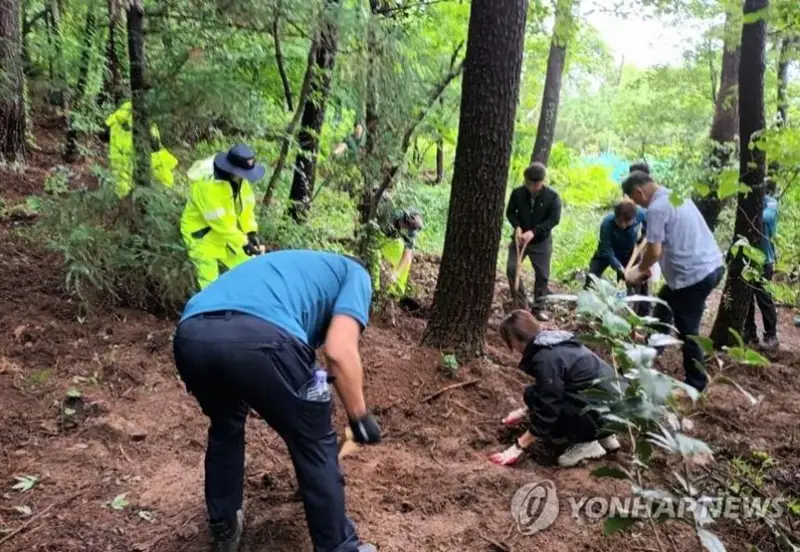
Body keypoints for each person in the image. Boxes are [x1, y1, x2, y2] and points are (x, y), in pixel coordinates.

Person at [173, 250, 381, 552]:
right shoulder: (356, 275)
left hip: (192, 336)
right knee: (314, 437)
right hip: (262, 336)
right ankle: (341, 547)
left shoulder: (294, 267)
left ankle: (224, 523)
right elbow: (338, 349)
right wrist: (359, 417)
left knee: (225, 424)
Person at [622, 171, 724, 392]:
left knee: (687, 329)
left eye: (635, 199)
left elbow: (655, 251)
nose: (638, 204)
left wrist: (638, 270)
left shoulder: (657, 209)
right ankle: (652, 349)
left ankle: (697, 383)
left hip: (693, 277)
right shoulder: (677, 196)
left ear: (639, 191)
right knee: (664, 302)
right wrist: (646, 264)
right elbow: (658, 245)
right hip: (712, 266)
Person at [489, 310, 623, 468]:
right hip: (616, 408)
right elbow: (553, 390)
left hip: (600, 409)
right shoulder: (555, 341)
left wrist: (517, 448)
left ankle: (587, 444)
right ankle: (605, 436)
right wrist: (522, 412)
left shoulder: (546, 358)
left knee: (540, 400)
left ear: (514, 339)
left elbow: (548, 409)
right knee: (533, 395)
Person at [180, 144, 265, 290]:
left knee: (248, 268)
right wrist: (244, 243)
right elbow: (220, 222)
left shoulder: (239, 180)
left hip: (227, 234)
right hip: (202, 235)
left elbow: (246, 207)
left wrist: (251, 232)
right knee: (210, 284)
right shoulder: (207, 186)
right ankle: (207, 310)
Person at [505, 162, 562, 322]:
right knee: (511, 269)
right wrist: (517, 226)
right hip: (520, 239)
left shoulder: (553, 197)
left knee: (542, 275)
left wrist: (534, 232)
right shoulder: (517, 193)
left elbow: (554, 219)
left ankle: (538, 308)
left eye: (535, 184)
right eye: (528, 183)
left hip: (541, 241)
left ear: (542, 182)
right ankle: (521, 305)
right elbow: (510, 212)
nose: (532, 187)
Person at [102, 101, 178, 197]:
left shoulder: (119, 116)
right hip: (135, 159)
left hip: (119, 157)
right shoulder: (145, 121)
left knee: (121, 182)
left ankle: (122, 200)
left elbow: (104, 132)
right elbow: (155, 144)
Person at [744, 181, 779, 349]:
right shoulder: (747, 202)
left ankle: (771, 336)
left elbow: (767, 217)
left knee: (764, 298)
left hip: (764, 260)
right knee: (746, 298)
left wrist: (750, 212)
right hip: (747, 258)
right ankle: (749, 333)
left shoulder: (771, 202)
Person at [585, 201, 647, 289]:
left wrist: (645, 233)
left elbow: (650, 220)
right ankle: (589, 297)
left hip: (629, 252)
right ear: (616, 217)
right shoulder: (607, 223)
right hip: (607, 252)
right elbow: (606, 249)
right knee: (592, 276)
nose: (623, 225)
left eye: (626, 222)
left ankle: (639, 301)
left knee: (636, 281)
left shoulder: (640, 214)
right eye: (620, 222)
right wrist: (618, 266)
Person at [373, 198, 424, 299]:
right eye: (406, 229)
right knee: (376, 256)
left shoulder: (411, 231)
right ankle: (375, 290)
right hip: (380, 235)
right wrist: (384, 267)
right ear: (403, 222)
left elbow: (408, 252)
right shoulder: (391, 216)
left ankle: (396, 293)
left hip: (394, 239)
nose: (407, 232)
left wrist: (396, 273)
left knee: (406, 261)